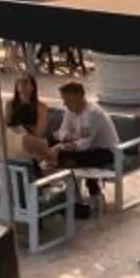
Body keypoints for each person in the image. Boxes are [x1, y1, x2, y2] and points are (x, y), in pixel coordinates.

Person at [49, 77, 120, 215]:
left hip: (104, 151)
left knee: (67, 158)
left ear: (79, 97)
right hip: (85, 147)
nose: (65, 104)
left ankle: (89, 194)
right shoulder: (70, 110)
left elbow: (84, 145)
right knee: (50, 146)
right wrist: (70, 138)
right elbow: (62, 132)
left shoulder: (92, 114)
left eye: (68, 100)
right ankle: (69, 192)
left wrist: (63, 146)